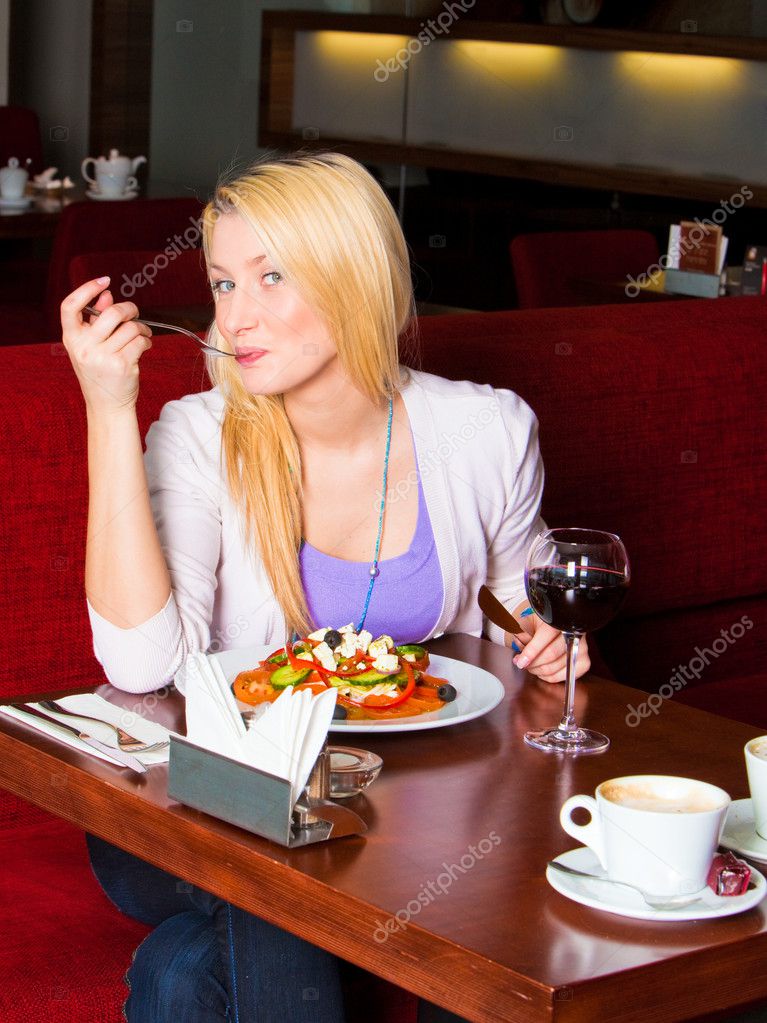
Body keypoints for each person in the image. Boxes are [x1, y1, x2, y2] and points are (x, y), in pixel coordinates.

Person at [61, 151, 590, 1022]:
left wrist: (552, 640)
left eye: (272, 276)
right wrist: (108, 410)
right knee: (280, 853)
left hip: (407, 807)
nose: (237, 316)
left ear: (355, 277)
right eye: (225, 284)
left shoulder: (485, 428)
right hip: (193, 807)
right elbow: (140, 661)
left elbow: (516, 600)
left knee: (183, 974)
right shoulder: (196, 436)